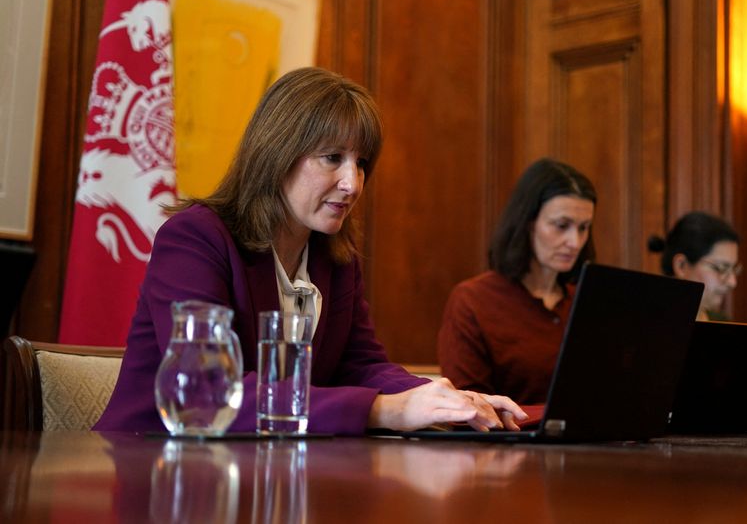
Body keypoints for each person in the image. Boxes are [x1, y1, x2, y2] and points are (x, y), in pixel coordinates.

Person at [94, 67, 527, 435]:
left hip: (265, 474)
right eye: (332, 157)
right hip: (153, 470)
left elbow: (360, 365)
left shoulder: (335, 259)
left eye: (361, 163)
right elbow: (206, 391)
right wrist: (385, 410)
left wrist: (443, 398)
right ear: (277, 154)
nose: (352, 183)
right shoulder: (194, 238)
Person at [436, 158, 596, 404]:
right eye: (561, 226)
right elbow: (468, 408)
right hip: (505, 440)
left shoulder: (587, 299)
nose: (574, 242)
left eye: (583, 228)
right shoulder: (473, 300)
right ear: (527, 224)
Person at [648, 211, 747, 413]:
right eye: (720, 268)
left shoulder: (721, 323)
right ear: (681, 265)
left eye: (734, 270)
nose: (732, 282)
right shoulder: (649, 325)